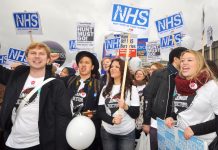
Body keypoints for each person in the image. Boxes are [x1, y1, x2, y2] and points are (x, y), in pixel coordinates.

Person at [0, 42, 72, 150]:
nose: (37, 56)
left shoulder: (56, 85)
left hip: (38, 144)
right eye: (33, 53)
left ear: (48, 60)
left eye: (41, 53)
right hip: (10, 142)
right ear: (27, 57)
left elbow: (62, 118)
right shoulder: (15, 77)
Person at [165, 50, 218, 147]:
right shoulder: (179, 84)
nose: (184, 63)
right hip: (182, 140)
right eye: (182, 61)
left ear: (199, 64)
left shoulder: (212, 86)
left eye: (189, 60)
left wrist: (195, 129)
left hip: (204, 143)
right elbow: (182, 108)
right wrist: (172, 118)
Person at [142, 47, 187, 150]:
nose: (186, 62)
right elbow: (148, 97)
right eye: (183, 59)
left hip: (178, 125)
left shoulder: (186, 76)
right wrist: (146, 121)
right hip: (158, 123)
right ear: (176, 60)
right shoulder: (159, 74)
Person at [98, 58, 140, 150]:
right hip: (107, 132)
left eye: (117, 67)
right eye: (112, 66)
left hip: (127, 133)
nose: (113, 68)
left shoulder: (132, 89)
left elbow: (136, 114)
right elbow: (100, 112)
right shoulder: (105, 89)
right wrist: (112, 120)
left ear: (123, 71)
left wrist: (125, 106)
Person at [64, 51, 101, 150]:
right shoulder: (68, 81)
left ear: (92, 67)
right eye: (81, 62)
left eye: (87, 62)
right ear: (78, 65)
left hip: (89, 130)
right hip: (69, 129)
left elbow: (102, 108)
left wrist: (93, 113)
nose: (83, 65)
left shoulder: (99, 85)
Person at [133, 68, 149, 139]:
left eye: (140, 74)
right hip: (133, 113)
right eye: (137, 74)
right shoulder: (131, 85)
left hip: (143, 114)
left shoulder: (148, 86)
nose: (138, 75)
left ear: (144, 76)